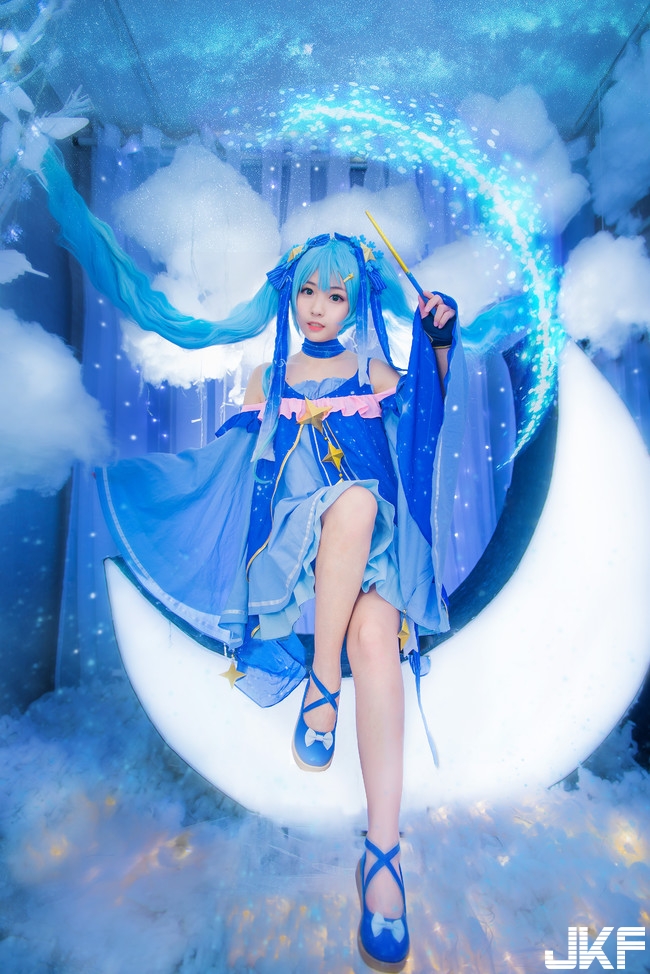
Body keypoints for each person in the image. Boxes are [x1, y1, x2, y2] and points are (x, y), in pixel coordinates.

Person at [39, 157, 467, 971]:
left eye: (336, 295)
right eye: (308, 291)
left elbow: (423, 425)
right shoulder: (266, 375)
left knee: (378, 628)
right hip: (298, 552)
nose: (319, 307)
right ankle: (325, 688)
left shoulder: (373, 369)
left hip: (376, 558)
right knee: (350, 505)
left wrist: (439, 340)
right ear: (290, 295)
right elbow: (241, 466)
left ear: (356, 303)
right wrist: (185, 489)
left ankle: (381, 854)